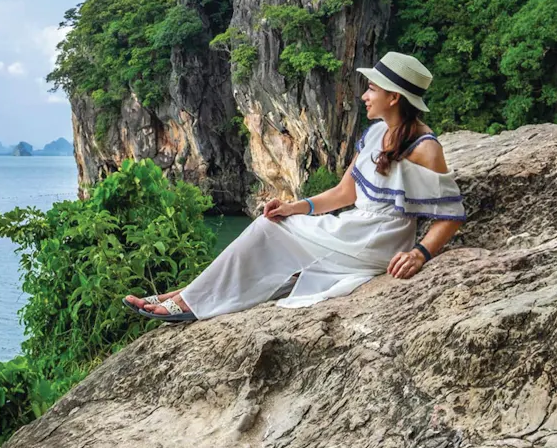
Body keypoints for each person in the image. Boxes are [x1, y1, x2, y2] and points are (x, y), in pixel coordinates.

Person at [122, 52, 466, 323]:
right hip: (355, 230)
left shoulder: (425, 149)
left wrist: (419, 255)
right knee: (274, 225)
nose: (364, 95)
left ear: (393, 97)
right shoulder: (375, 133)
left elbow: (450, 216)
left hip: (376, 242)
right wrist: (294, 207)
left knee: (266, 231)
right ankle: (188, 294)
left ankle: (187, 301)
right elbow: (344, 193)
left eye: (372, 88)